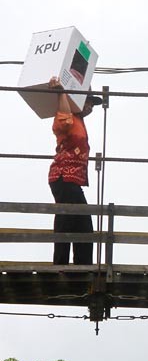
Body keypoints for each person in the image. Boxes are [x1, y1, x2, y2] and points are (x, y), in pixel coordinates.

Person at [47, 76, 101, 265]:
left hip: (72, 179)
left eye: (92, 105)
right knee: (67, 218)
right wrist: (62, 92)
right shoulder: (68, 117)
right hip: (63, 176)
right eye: (87, 102)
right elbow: (64, 121)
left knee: (83, 224)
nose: (90, 108)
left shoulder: (80, 121)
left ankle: (82, 265)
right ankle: (61, 264)